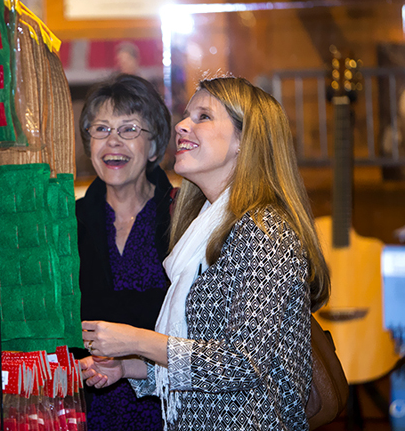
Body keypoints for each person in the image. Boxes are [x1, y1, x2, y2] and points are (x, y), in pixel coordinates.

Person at [80, 76, 330, 430]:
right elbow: (204, 358)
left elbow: (244, 363)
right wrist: (129, 366)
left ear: (244, 140)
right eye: (186, 116)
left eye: (203, 117)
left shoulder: (265, 229)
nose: (182, 125)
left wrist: (138, 340)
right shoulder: (206, 228)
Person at [76, 74, 175, 431]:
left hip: (169, 407)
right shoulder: (70, 221)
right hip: (89, 408)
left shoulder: (182, 217)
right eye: (101, 129)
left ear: (153, 145)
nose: (112, 142)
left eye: (129, 129)